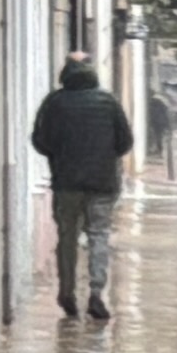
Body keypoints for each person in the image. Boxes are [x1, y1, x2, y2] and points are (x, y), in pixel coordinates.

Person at [35, 57, 133, 324]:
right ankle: (96, 292)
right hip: (102, 183)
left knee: (67, 237)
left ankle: (67, 292)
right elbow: (125, 142)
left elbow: (40, 141)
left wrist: (60, 155)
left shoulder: (54, 103)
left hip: (66, 183)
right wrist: (105, 156)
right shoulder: (109, 102)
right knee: (99, 236)